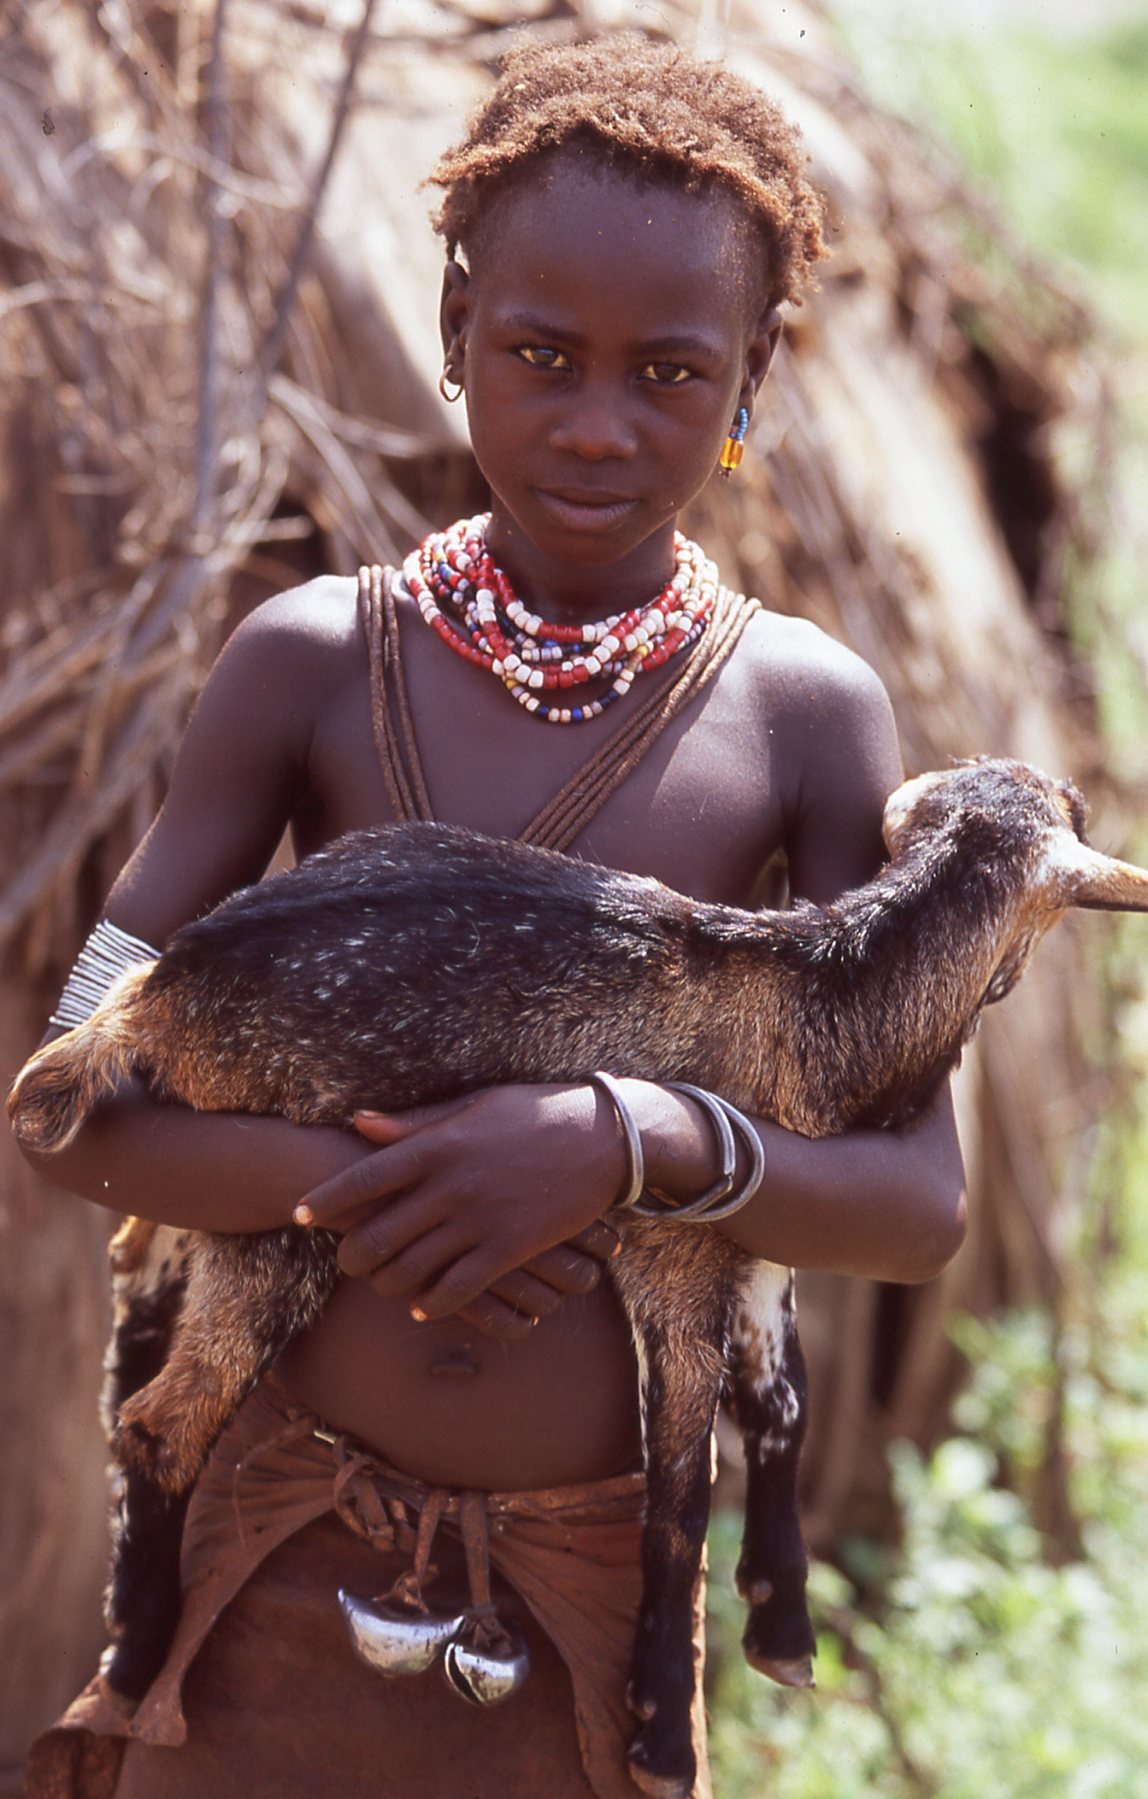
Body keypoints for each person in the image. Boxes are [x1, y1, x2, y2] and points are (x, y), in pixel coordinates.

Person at [19, 35, 967, 1799]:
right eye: (540, 356)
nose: (597, 423)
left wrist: (625, 1142)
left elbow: (917, 1205)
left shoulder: (802, 719)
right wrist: (389, 1193)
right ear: (455, 335)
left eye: (670, 372)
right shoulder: (311, 666)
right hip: (258, 1576)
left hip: (594, 1618)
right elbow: (74, 1096)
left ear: (753, 377)